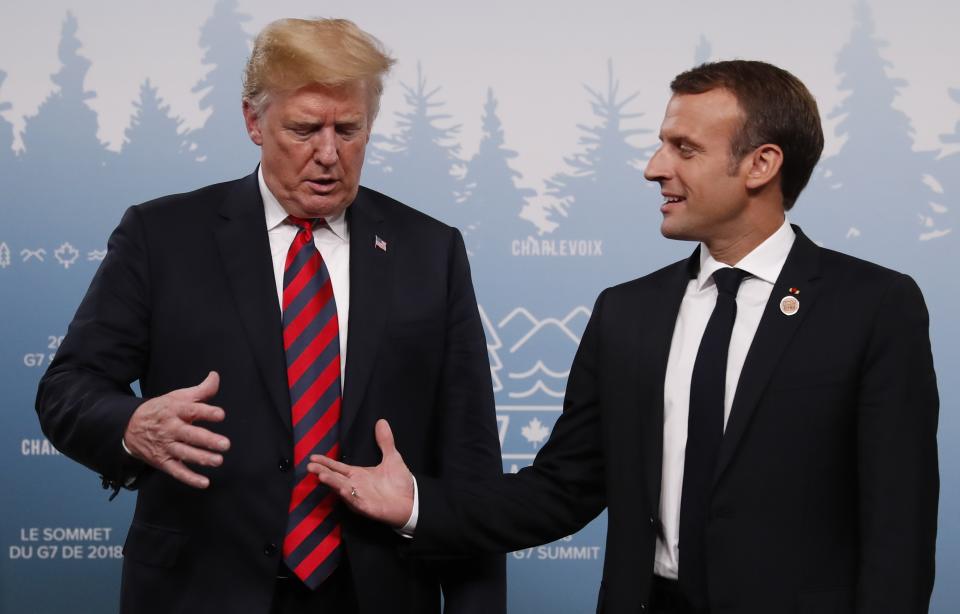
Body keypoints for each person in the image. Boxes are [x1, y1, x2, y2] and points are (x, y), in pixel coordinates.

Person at [308, 60, 940, 614]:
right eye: (662, 144)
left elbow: (899, 533)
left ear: (761, 165)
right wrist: (418, 506)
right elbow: (562, 489)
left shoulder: (874, 308)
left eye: (684, 148)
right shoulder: (628, 313)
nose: (653, 167)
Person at [35, 17, 504, 614]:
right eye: (305, 129)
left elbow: (470, 460)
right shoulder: (162, 236)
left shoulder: (431, 251)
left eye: (349, 129)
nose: (329, 154)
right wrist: (131, 426)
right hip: (198, 591)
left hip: (378, 591)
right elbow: (66, 389)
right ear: (253, 121)